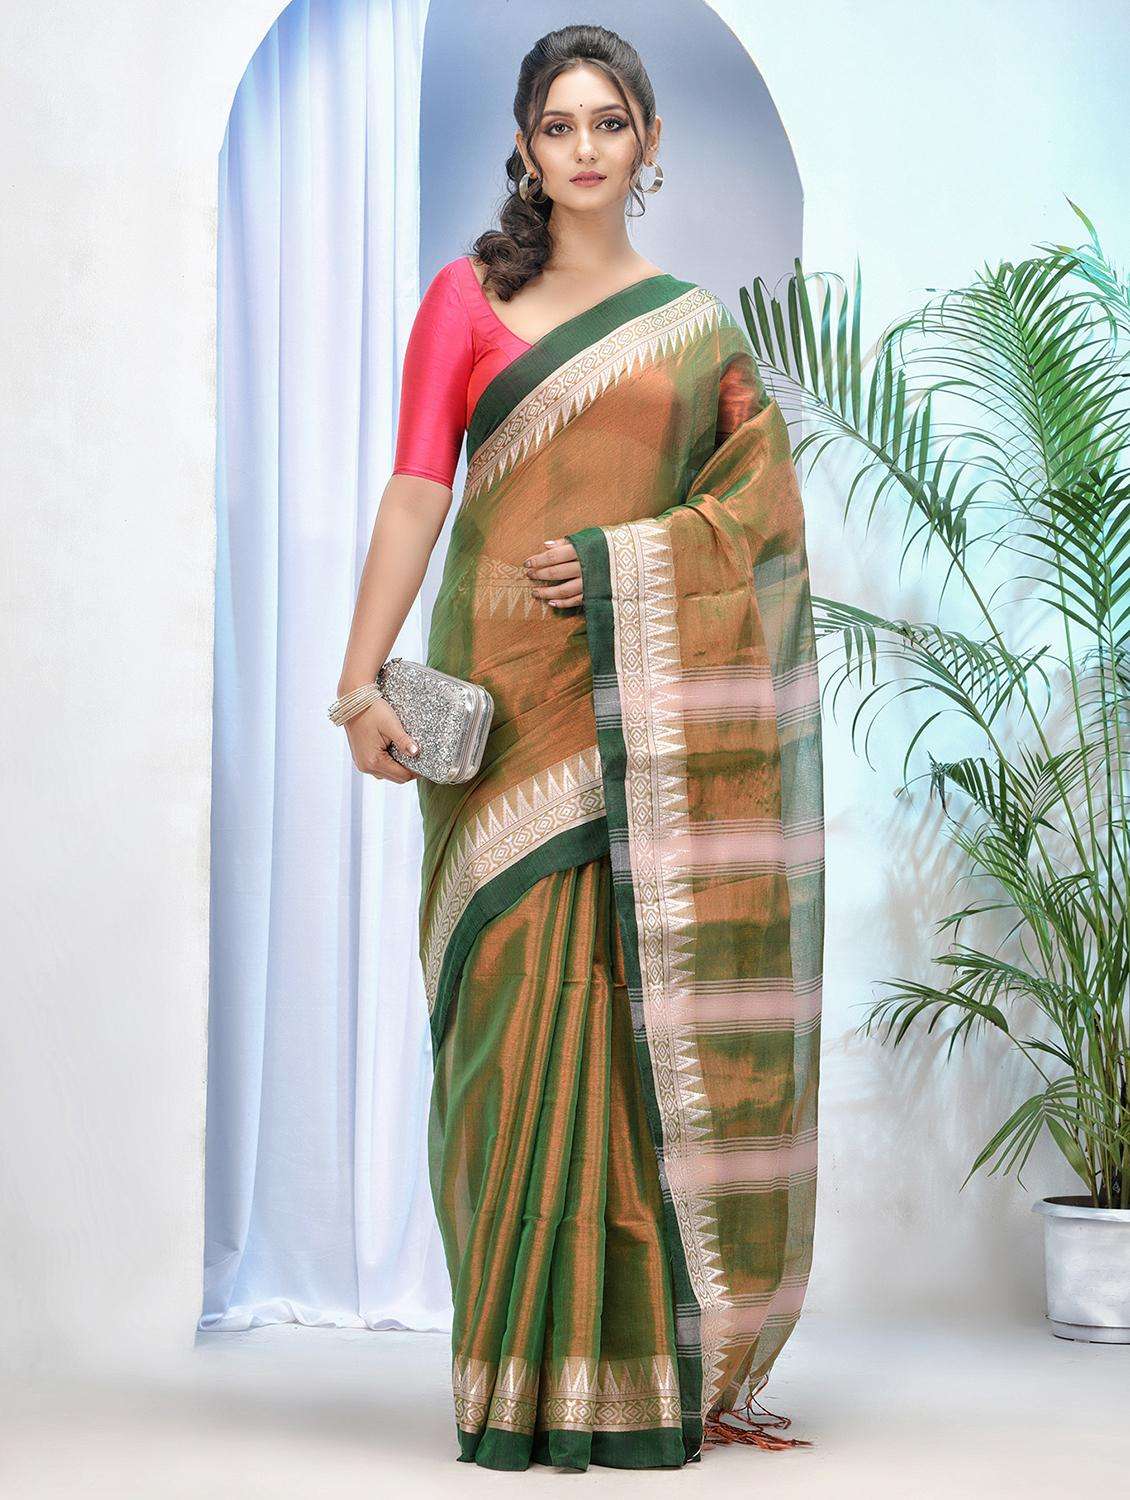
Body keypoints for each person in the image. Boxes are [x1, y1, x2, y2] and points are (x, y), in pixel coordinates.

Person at [333, 22, 824, 1474]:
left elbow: (759, 524)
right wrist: (356, 685)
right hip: (499, 712)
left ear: (648, 140)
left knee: (625, 1021)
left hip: (635, 722)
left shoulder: (696, 329)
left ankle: (634, 1379)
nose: (587, 147)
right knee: (503, 1032)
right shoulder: (467, 301)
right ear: (526, 147)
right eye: (560, 125)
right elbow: (416, 493)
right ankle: (512, 1375)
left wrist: (621, 562)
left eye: (610, 121)